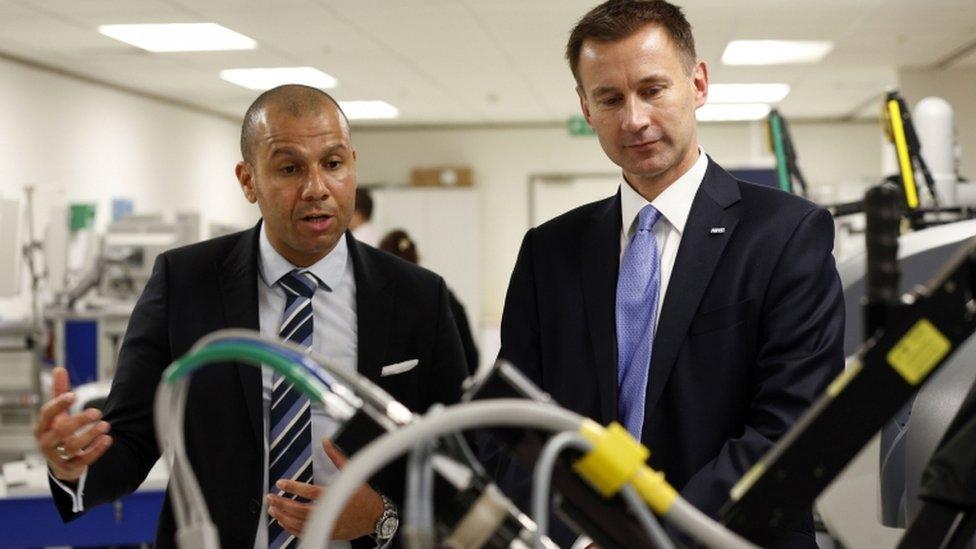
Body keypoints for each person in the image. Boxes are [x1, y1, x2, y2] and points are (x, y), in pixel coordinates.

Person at [33, 84, 469, 549]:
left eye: (333, 164)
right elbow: (134, 437)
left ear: (353, 167)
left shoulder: (417, 297)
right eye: (289, 168)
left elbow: (460, 465)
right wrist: (73, 466)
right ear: (248, 180)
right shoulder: (185, 281)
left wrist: (381, 517)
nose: (316, 188)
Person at [490, 1, 844, 547]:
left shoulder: (786, 234)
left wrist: (647, 536)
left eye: (652, 89)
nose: (634, 119)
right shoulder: (550, 252)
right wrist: (578, 534)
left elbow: (790, 429)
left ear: (697, 83)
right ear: (585, 107)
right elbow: (514, 423)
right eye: (609, 98)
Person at [378, 229, 479, 374]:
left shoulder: (378, 301)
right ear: (416, 256)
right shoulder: (440, 294)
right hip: (442, 389)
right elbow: (471, 358)